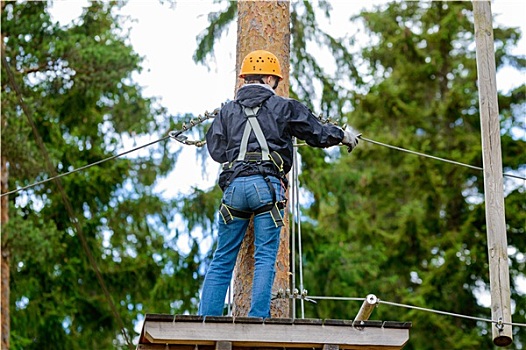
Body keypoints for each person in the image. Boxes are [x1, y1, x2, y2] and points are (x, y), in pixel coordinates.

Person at [198, 49, 359, 318]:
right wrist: (342, 135)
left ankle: (206, 319)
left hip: (234, 189)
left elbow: (216, 150)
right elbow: (316, 132)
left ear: (246, 78)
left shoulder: (227, 111)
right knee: (264, 257)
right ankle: (257, 317)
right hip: (266, 187)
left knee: (223, 258)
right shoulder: (284, 107)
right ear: (271, 79)